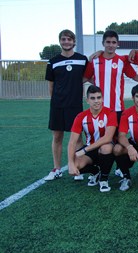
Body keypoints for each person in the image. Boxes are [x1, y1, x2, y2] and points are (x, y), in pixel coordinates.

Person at [44, 29, 88, 181]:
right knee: (57, 136)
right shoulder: (53, 61)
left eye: (69, 39)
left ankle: (77, 167)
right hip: (57, 105)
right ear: (60, 41)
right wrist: (56, 100)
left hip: (75, 105)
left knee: (78, 138)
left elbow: (87, 76)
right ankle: (57, 169)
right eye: (63, 39)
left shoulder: (82, 60)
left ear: (74, 42)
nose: (66, 42)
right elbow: (51, 85)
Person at [67, 85, 117, 192]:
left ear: (102, 99)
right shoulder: (81, 117)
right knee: (75, 164)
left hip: (104, 149)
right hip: (90, 149)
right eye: (92, 98)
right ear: (87, 100)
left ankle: (104, 179)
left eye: (99, 98)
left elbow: (108, 138)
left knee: (106, 147)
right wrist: (71, 163)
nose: (96, 101)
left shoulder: (110, 113)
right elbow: (72, 142)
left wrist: (84, 150)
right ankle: (95, 172)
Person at [84, 30, 138, 118]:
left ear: (117, 44)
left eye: (113, 42)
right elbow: (85, 78)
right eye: (108, 42)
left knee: (118, 132)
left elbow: (135, 77)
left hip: (117, 108)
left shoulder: (122, 60)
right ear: (103, 43)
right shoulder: (94, 60)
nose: (110, 45)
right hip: (98, 108)